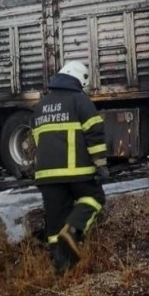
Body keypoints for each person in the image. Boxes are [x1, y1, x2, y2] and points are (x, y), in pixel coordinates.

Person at [31, 61, 109, 272]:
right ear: (79, 80)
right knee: (94, 198)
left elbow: (37, 140)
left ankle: (61, 269)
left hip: (46, 176)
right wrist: (100, 164)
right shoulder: (79, 100)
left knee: (55, 222)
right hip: (77, 171)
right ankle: (73, 230)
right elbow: (94, 133)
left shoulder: (40, 106)